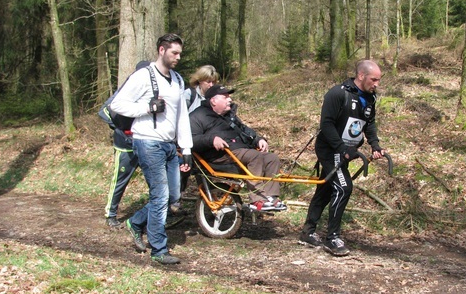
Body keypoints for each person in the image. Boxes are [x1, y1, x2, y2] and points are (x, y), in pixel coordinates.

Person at [110, 33, 193, 265]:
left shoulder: (177, 79)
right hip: (147, 141)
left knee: (173, 196)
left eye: (180, 53)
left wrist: (186, 146)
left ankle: (136, 223)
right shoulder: (143, 76)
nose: (178, 57)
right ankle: (159, 249)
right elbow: (117, 104)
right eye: (174, 53)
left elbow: (182, 116)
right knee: (160, 195)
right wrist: (146, 108)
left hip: (169, 145)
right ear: (161, 50)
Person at [299, 59, 387, 256]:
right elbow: (327, 124)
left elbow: (369, 124)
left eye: (379, 80)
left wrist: (375, 145)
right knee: (344, 187)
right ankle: (333, 238)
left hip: (347, 151)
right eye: (374, 79)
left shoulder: (370, 98)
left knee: (325, 189)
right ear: (361, 76)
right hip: (330, 149)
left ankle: (308, 231)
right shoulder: (338, 93)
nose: (377, 84)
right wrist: (341, 147)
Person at [189, 84, 286, 212]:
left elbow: (244, 130)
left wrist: (258, 139)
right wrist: (211, 139)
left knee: (271, 158)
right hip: (217, 156)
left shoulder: (229, 116)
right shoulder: (197, 116)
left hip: (239, 152)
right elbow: (190, 139)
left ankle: (271, 197)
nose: (230, 99)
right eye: (225, 97)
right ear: (213, 101)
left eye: (229, 96)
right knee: (254, 156)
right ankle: (257, 200)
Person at [104, 61, 149, 227]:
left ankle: (156, 215)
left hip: (145, 141)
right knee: (120, 179)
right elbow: (106, 110)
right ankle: (111, 214)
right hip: (125, 144)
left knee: (156, 180)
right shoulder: (126, 89)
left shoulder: (152, 89)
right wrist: (121, 129)